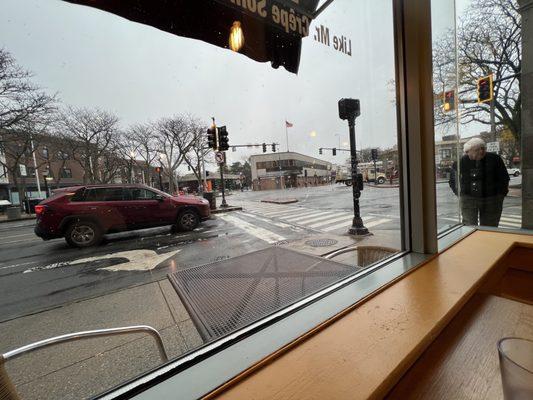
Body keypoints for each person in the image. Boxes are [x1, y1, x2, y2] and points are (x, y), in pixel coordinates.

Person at [449, 137, 509, 227]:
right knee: (469, 226)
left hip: (491, 199)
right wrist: (460, 194)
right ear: (468, 151)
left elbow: (504, 178)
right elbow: (453, 180)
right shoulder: (460, 162)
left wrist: (500, 195)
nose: (481, 151)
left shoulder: (495, 159)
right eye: (477, 149)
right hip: (468, 199)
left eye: (483, 148)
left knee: (489, 227)